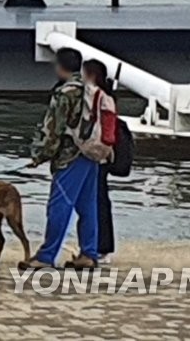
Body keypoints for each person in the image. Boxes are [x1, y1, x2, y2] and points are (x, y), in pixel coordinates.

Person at [19, 47, 99, 271]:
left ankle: (46, 256)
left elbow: (54, 129)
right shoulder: (89, 88)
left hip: (69, 156)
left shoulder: (65, 93)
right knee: (88, 206)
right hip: (91, 153)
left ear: (60, 67)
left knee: (59, 206)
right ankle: (89, 253)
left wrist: (40, 155)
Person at [83, 58, 117, 263]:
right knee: (100, 200)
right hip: (104, 154)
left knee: (96, 202)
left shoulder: (96, 97)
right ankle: (101, 246)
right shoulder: (108, 97)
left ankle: (98, 247)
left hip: (94, 154)